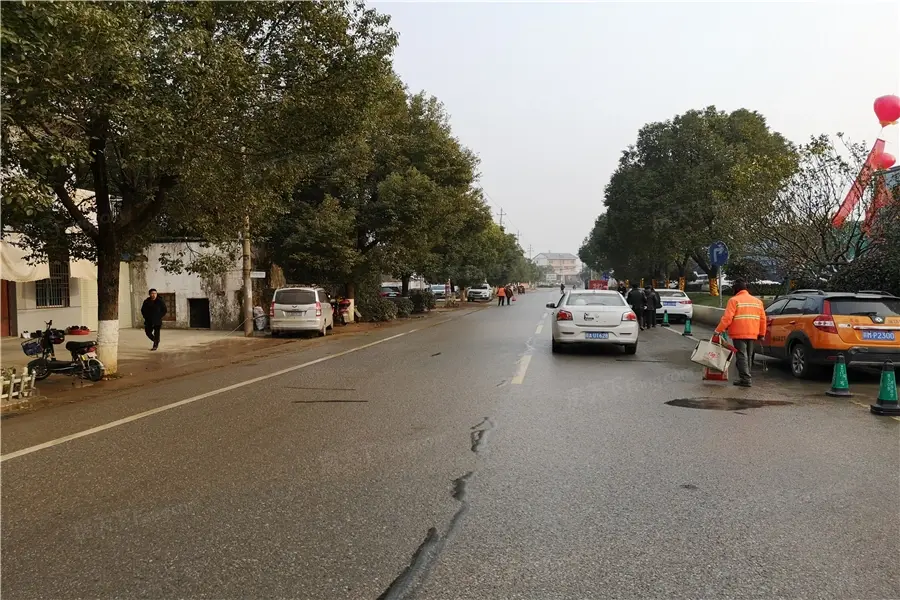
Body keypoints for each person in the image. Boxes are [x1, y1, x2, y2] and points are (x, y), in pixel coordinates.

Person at [714, 279, 766, 387]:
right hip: (753, 332)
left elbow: (727, 318)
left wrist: (718, 330)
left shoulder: (734, 300)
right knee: (748, 356)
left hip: (739, 332)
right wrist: (762, 334)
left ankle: (746, 379)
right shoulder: (757, 302)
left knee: (741, 355)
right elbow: (762, 319)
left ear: (736, 289)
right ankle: (746, 377)